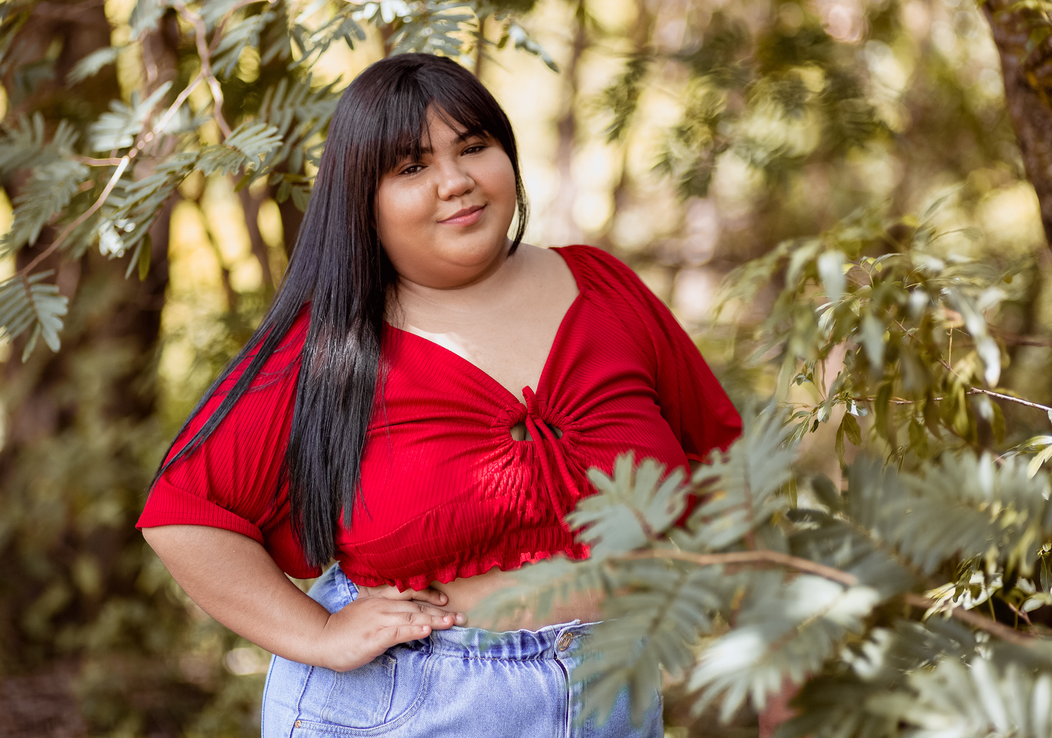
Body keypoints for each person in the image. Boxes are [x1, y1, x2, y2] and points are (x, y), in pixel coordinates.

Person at [137, 52, 742, 737]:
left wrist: (781, 656)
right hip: (415, 703)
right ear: (364, 199)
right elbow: (184, 515)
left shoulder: (604, 292)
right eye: (412, 167)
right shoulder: (333, 348)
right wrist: (319, 636)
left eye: (474, 147)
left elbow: (728, 471)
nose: (456, 182)